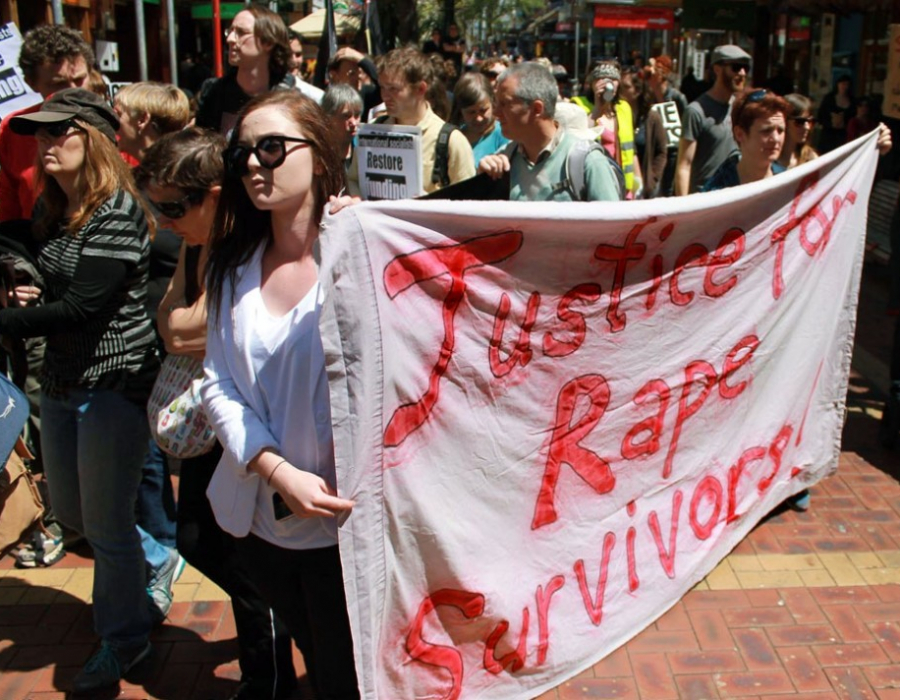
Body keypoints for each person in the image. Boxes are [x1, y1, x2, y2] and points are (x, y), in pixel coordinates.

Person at [201, 90, 359, 699]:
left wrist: (363, 233)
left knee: (349, 679)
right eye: (242, 153)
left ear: (317, 157)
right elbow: (217, 383)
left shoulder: (359, 252)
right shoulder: (232, 265)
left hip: (348, 527)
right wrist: (277, 470)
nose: (253, 165)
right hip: (264, 523)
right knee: (318, 668)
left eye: (271, 148)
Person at [4, 88, 159, 692]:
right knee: (74, 516)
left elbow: (82, 307)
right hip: (66, 382)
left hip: (114, 385)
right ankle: (158, 558)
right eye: (37, 134)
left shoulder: (118, 208)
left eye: (55, 132)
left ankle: (125, 640)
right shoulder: (54, 209)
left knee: (106, 526)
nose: (42, 144)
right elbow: (46, 276)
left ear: (91, 138)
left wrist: (13, 319)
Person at [136, 127, 297, 700]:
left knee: (232, 547)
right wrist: (184, 321)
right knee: (199, 540)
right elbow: (171, 324)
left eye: (175, 206)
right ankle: (277, 637)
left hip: (252, 419)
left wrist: (185, 323)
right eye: (157, 207)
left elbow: (187, 326)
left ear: (215, 193)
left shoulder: (242, 244)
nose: (164, 220)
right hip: (215, 416)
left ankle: (269, 676)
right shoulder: (197, 240)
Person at [115, 81, 193, 621]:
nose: (113, 123)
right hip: (153, 339)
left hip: (177, 347)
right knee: (148, 455)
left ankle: (168, 549)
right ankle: (164, 545)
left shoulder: (178, 186)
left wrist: (174, 321)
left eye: (119, 115)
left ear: (144, 123)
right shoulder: (134, 180)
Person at [478, 63, 622, 202]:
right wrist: (481, 181)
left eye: (505, 104)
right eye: (496, 104)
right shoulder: (504, 159)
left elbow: (612, 225)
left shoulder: (588, 162)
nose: (496, 113)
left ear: (537, 109)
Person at [347, 47, 474, 196]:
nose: (385, 96)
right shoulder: (372, 130)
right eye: (382, 87)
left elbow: (468, 201)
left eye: (394, 89)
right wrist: (356, 198)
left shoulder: (451, 141)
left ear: (420, 89)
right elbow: (353, 179)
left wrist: (427, 203)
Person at [0, 24, 94, 222]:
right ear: (30, 82)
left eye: (79, 80)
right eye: (59, 84)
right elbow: (7, 208)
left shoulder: (121, 122)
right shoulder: (13, 130)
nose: (73, 92)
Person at [195, 5, 320, 136]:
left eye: (241, 33)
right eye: (230, 31)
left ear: (268, 43)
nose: (230, 39)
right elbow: (203, 148)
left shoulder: (290, 98)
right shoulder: (213, 94)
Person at [675, 44, 751, 195]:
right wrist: (684, 211)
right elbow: (684, 165)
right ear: (717, 69)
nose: (742, 73)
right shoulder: (696, 111)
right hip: (704, 199)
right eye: (736, 67)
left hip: (734, 196)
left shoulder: (739, 109)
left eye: (745, 68)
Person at [701, 89, 790, 192]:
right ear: (740, 134)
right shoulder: (716, 192)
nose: (776, 138)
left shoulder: (790, 185)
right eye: (766, 131)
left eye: (781, 130)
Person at [582, 61, 642, 198]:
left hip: (623, 188)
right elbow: (577, 139)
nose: (608, 84)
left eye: (613, 79)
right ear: (591, 83)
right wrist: (597, 108)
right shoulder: (579, 106)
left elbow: (631, 149)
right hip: (593, 185)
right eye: (601, 78)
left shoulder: (624, 108)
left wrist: (638, 181)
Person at [452, 72, 509, 168]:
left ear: (492, 102)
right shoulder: (456, 136)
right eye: (471, 112)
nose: (479, 118)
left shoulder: (503, 135)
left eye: (483, 110)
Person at [327, 46, 382, 120]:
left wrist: (362, 60)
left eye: (359, 73)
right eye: (352, 73)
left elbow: (385, 86)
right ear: (334, 76)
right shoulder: (323, 101)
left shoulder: (364, 95)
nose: (358, 77)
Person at [322, 83, 363, 168]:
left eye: (357, 115)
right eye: (346, 116)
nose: (354, 123)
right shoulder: (317, 157)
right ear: (327, 118)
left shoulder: (363, 152)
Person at [776, 93, 819, 170]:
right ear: (784, 122)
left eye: (810, 121)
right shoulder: (768, 157)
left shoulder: (810, 158)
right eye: (800, 122)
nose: (807, 127)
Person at [817, 73, 854, 154]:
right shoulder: (829, 98)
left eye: (847, 84)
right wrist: (830, 123)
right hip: (828, 134)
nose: (845, 87)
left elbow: (852, 116)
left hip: (843, 135)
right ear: (838, 84)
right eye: (843, 84)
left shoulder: (852, 100)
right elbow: (821, 114)